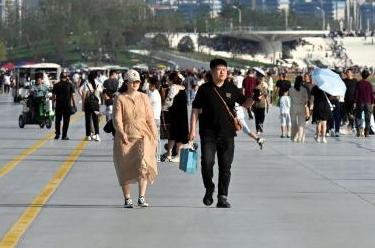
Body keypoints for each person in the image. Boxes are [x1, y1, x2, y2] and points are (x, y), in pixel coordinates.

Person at [189, 58, 252, 208]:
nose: (223, 71)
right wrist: (192, 129)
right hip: (208, 133)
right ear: (212, 71)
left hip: (228, 134)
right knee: (207, 163)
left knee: (225, 166)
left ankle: (222, 196)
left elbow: (245, 104)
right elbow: (195, 110)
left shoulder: (232, 88)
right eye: (219, 69)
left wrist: (254, 97)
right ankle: (209, 188)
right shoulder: (204, 89)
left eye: (224, 68)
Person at [112, 69, 158, 208]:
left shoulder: (144, 97)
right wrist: (121, 132)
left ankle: (141, 197)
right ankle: (127, 199)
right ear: (126, 82)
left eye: (137, 81)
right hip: (125, 137)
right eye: (132, 82)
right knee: (124, 166)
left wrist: (154, 135)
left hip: (143, 136)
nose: (135, 84)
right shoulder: (120, 98)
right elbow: (117, 118)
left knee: (143, 165)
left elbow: (150, 118)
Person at [163, 71, 189, 163]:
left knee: (172, 135)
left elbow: (168, 102)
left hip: (174, 114)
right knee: (180, 136)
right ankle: (177, 155)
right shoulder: (183, 89)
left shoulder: (173, 89)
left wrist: (164, 108)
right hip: (182, 115)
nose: (167, 81)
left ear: (171, 80)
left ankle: (169, 154)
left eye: (168, 79)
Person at [52, 71, 76, 140]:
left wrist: (53, 105)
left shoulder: (56, 85)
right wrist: (74, 105)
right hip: (67, 105)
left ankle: (57, 134)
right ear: (66, 77)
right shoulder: (70, 85)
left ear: (60, 77)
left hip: (58, 105)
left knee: (58, 120)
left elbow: (53, 96)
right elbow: (72, 96)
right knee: (66, 121)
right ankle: (64, 135)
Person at [80, 71, 101, 142]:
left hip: (88, 104)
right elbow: (100, 94)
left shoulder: (86, 84)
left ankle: (88, 136)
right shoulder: (98, 83)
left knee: (88, 120)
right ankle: (97, 135)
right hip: (96, 104)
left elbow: (83, 94)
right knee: (96, 120)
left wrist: (83, 105)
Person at [354, 69, 374, 137]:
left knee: (358, 117)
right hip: (368, 103)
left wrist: (355, 102)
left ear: (361, 75)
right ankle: (367, 132)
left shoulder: (358, 83)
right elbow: (372, 95)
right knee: (367, 118)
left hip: (360, 102)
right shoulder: (369, 84)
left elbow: (356, 94)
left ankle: (359, 130)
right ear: (368, 76)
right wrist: (372, 103)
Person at [289, 76, 309, 143]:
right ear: (301, 81)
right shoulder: (304, 90)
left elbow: (290, 97)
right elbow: (306, 100)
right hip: (301, 107)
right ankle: (300, 138)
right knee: (301, 123)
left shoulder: (291, 89)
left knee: (293, 123)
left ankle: (293, 137)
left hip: (293, 107)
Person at [147, 76, 162, 161]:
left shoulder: (153, 94)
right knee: (156, 138)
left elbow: (147, 105)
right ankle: (157, 156)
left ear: (152, 85)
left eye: (149, 84)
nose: (148, 86)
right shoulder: (156, 93)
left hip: (153, 119)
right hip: (156, 118)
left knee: (153, 138)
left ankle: (155, 156)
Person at [252, 68, 269, 134]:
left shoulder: (263, 85)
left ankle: (259, 127)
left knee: (260, 117)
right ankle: (258, 129)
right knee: (258, 117)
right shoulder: (255, 86)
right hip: (257, 104)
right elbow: (253, 95)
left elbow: (266, 95)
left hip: (260, 104)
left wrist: (267, 104)